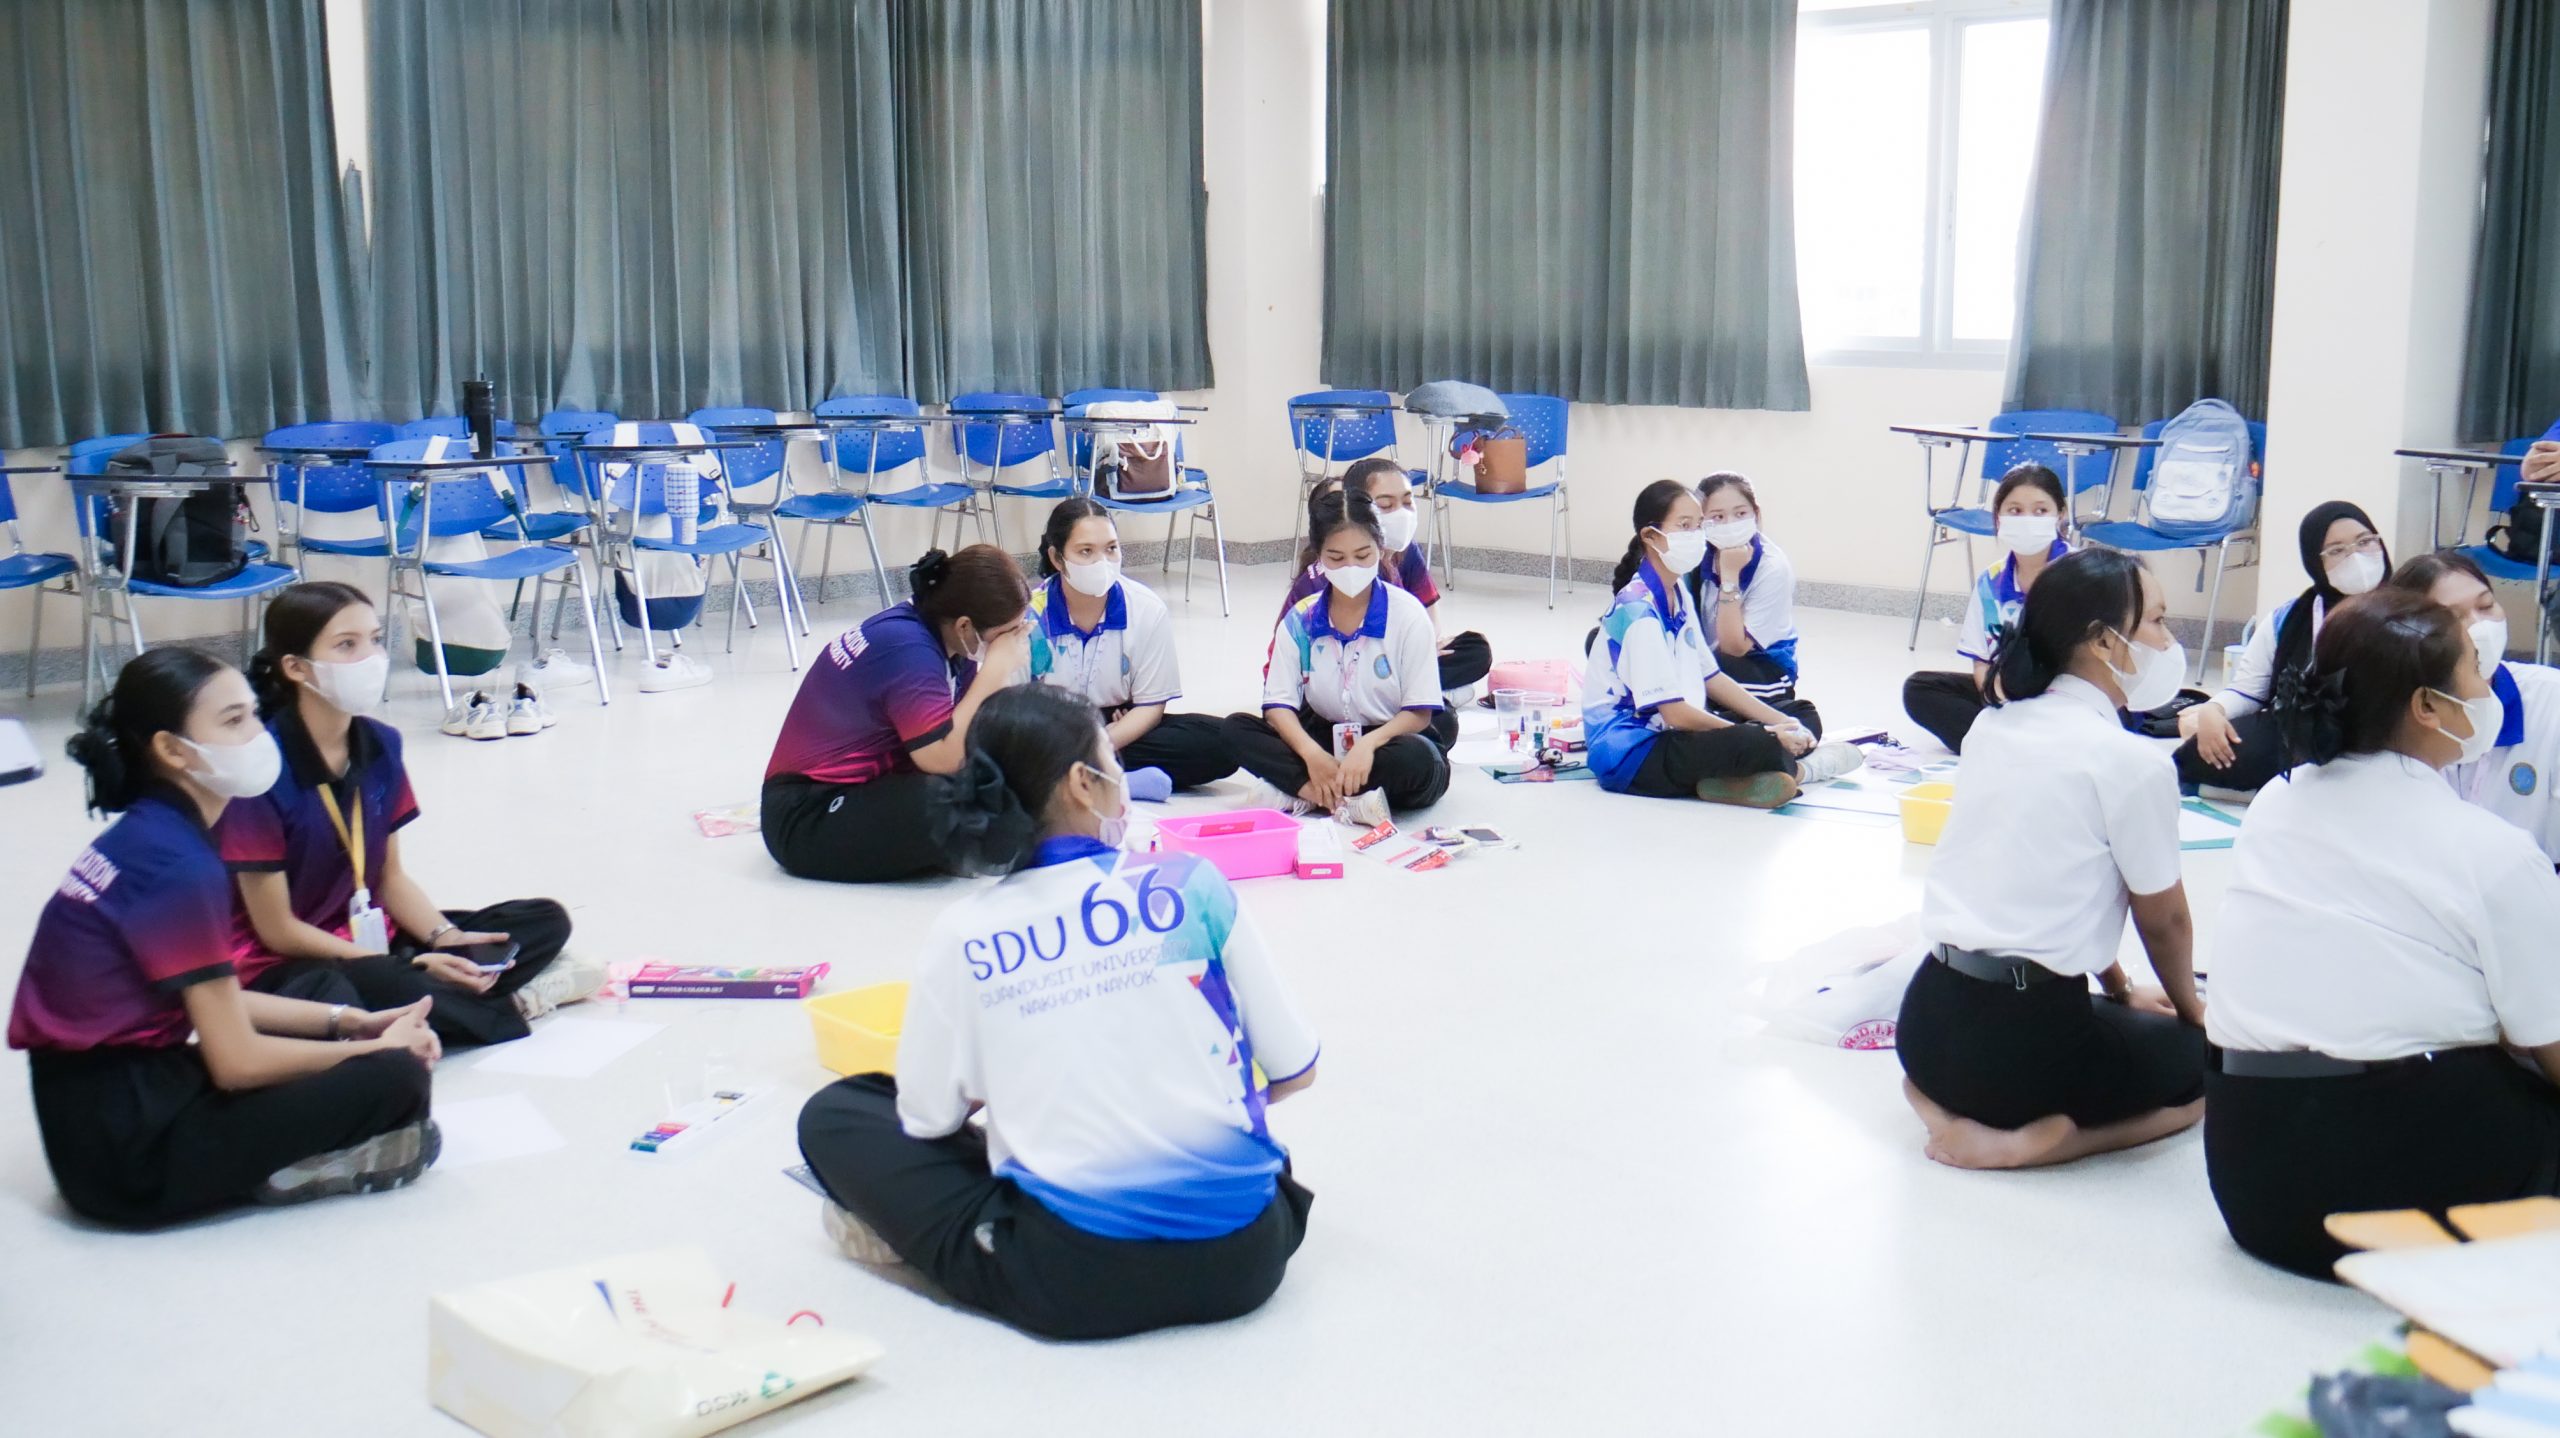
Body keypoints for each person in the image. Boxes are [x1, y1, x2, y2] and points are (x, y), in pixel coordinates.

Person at [796, 684, 1318, 1340]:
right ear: (1080, 782)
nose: (1119, 777)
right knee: (1251, 1150)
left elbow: (928, 1119)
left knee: (838, 1113)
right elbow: (1296, 1070)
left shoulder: (966, 932)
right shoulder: (1191, 882)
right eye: (1112, 760)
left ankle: (976, 1213)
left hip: (1074, 1280)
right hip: (1248, 1256)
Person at [9, 648, 443, 1227]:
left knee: (338, 1014)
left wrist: (352, 1023)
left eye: (254, 714)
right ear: (172, 750)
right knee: (396, 1079)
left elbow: (217, 998)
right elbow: (236, 1062)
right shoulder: (178, 864)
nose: (258, 735)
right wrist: (376, 1051)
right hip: (128, 1156)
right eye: (233, 721)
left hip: (112, 1104)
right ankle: (286, 1167)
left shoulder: (156, 833)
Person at [2205, 588, 2560, 1278]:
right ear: (2427, 706)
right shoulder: (2490, 851)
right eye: (2475, 671)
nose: (2487, 687)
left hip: (2255, 1188)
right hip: (2392, 1187)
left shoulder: (2276, 801)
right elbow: (2547, 1040)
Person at [1896, 547, 2208, 1169]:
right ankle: (2046, 1141)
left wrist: (2119, 988)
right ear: (2104, 640)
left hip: (1926, 1023)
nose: (2167, 640)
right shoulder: (2131, 763)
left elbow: (2040, 883)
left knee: (2089, 1026)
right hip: (2027, 1046)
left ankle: (1937, 1104)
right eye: (2156, 621)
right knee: (2207, 1074)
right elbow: (2164, 922)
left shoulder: (1992, 727)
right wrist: (2194, 1013)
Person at [223, 582, 596, 1049]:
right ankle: (513, 1003)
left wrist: (446, 939)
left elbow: (390, 876)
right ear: (296, 667)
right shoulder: (259, 772)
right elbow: (277, 929)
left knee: (544, 919)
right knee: (369, 988)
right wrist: (403, 964)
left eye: (375, 640)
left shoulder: (381, 743)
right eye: (346, 645)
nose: (370, 659)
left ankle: (444, 996)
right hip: (290, 959)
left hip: (369, 931)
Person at [763, 545, 1032, 883]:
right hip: (804, 814)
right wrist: (995, 671)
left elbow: (970, 736)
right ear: (965, 626)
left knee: (1001, 776)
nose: (1014, 642)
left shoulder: (947, 640)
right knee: (945, 806)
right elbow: (943, 759)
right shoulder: (907, 648)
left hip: (869, 787)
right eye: (1008, 633)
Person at [1585, 480, 1861, 808]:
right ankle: (1803, 771)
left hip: (1674, 732)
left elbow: (1711, 677)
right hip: (1633, 756)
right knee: (1757, 743)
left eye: (1698, 525)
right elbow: (1675, 714)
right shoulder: (1638, 609)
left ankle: (1727, 782)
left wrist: (1780, 722)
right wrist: (1764, 735)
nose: (1695, 535)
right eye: (1684, 526)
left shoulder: (1677, 590)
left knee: (1798, 713)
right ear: (1651, 536)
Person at [1226, 489, 1452, 823]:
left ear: (1380, 549)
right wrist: (1312, 754)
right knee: (1235, 729)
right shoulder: (1301, 618)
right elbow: (1277, 706)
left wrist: (1368, 745)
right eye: (1336, 557)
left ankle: (1301, 791)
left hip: (1389, 738)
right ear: (1318, 556)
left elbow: (1419, 713)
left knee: (1418, 760)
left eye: (1363, 555)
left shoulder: (1408, 615)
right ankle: (1336, 796)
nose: (1351, 568)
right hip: (1324, 737)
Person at [2173, 502, 2387, 793]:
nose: (2355, 557)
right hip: (2309, 731)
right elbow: (2249, 690)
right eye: (2336, 550)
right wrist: (2214, 710)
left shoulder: (2411, 612)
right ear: (2314, 561)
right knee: (2213, 749)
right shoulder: (2291, 618)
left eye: (2364, 542)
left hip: (2385, 739)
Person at [1028, 498, 1235, 793]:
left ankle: (1073, 774)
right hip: (1048, 728)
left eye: (1111, 548)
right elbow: (1012, 709)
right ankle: (1112, 779)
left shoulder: (1146, 608)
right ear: (1057, 558)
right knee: (1009, 749)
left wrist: (1105, 740)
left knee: (1222, 741)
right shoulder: (1030, 616)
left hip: (1119, 726)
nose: (1102, 562)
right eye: (1086, 551)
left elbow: (1150, 705)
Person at [2385, 550, 2560, 861]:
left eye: (2486, 605)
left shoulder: (2550, 699)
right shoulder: (2395, 715)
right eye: (2454, 618)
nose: (2481, 628)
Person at [1278, 460, 1492, 698]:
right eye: (1385, 505)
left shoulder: (1403, 552)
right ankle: (1425, 695)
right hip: (1337, 675)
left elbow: (1426, 612)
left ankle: (1415, 693)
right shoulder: (1333, 575)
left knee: (1476, 648)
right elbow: (1302, 660)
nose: (1401, 514)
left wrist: (1423, 651)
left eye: (1408, 502)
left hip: (1389, 662)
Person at [1902, 464, 2069, 753]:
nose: (2027, 520)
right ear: (1998, 517)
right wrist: (2001, 701)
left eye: (2040, 511)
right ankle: (2016, 745)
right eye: (2015, 511)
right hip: (2010, 693)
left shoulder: (2082, 575)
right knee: (1919, 689)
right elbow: (1982, 663)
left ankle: (2004, 743)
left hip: (2066, 702)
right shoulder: (1990, 581)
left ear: (2061, 514)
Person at [1685, 471, 1820, 735]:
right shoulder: (1699, 554)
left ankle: (1751, 728)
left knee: (1711, 671)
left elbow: (1734, 647)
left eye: (1740, 513)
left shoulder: (1772, 567)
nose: (1730, 524)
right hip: (1711, 659)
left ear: (1756, 515)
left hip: (1760, 667)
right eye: (1717, 517)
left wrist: (1730, 577)